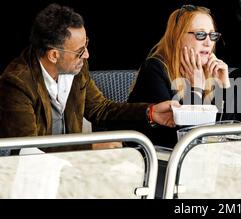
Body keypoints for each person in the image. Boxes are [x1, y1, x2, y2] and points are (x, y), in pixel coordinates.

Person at [0, 4, 177, 154]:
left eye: (86, 45)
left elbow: (101, 110)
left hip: (73, 167)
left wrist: (150, 112)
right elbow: (27, 149)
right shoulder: (16, 83)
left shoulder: (76, 66)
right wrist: (90, 146)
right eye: (79, 51)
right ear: (53, 55)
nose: (86, 54)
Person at [128, 5, 230, 148]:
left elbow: (228, 131)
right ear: (178, 36)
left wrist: (223, 86)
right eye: (200, 35)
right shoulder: (154, 68)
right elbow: (183, 139)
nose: (209, 43)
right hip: (157, 161)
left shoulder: (208, 71)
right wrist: (196, 89)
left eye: (212, 35)